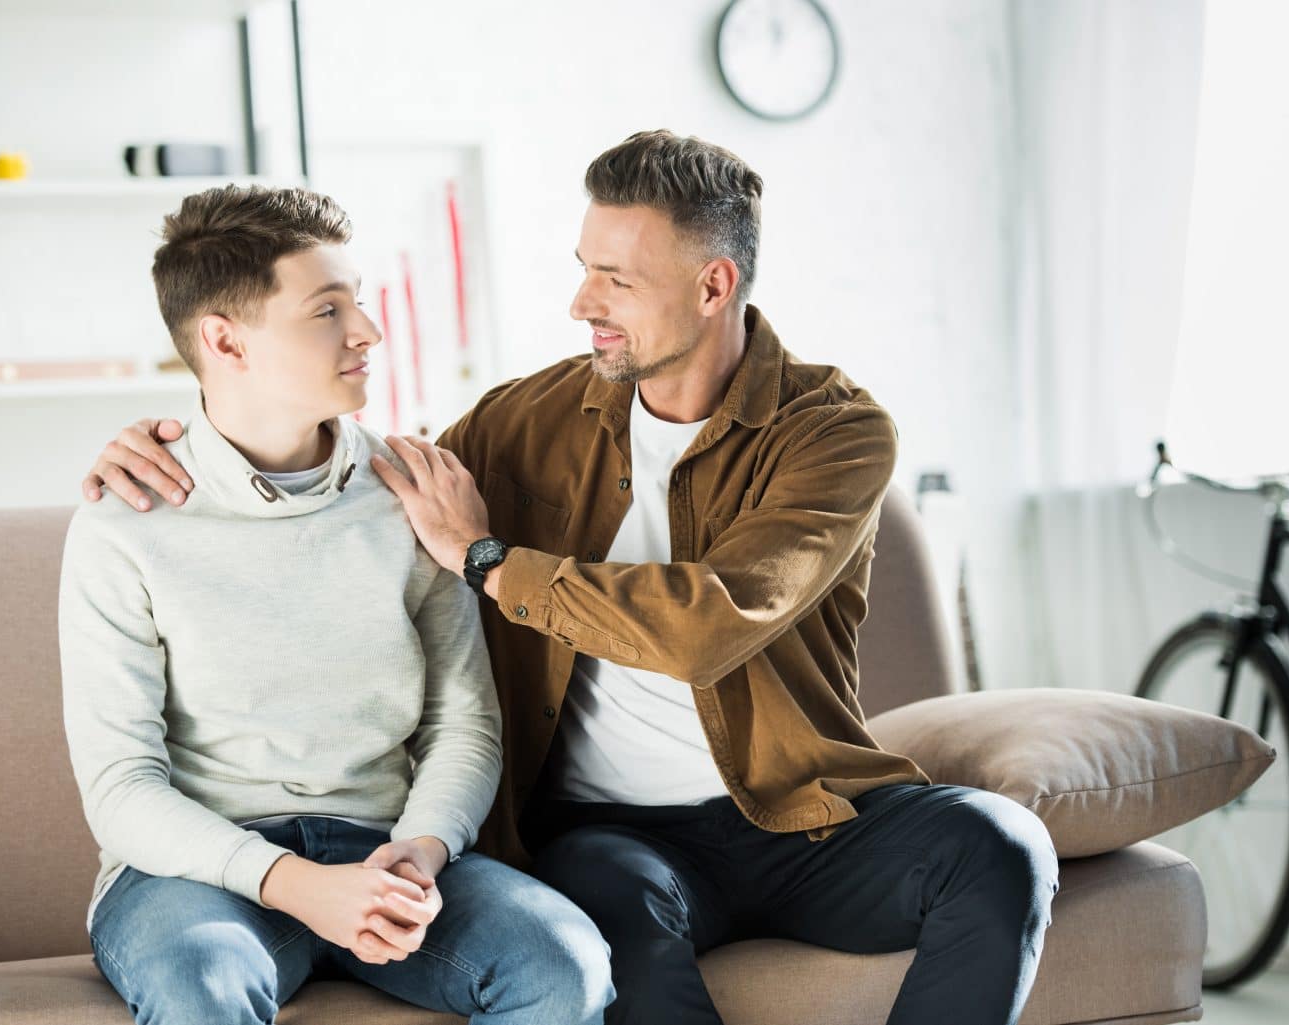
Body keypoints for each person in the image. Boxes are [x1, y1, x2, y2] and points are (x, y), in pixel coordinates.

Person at [82, 131, 1058, 1025]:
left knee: (1000, 846)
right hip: (610, 835)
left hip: (797, 811)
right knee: (603, 911)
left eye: (615, 280)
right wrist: (173, 442)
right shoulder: (521, 424)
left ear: (713, 287)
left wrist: (492, 563)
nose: (581, 301)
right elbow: (318, 460)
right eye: (583, 268)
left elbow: (710, 623)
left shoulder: (834, 431)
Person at [60, 184, 612, 1025]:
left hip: (387, 849)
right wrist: (298, 886)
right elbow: (122, 785)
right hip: (192, 875)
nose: (368, 331)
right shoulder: (125, 519)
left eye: (357, 301)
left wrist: (420, 853)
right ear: (225, 340)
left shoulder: (414, 496)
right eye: (327, 309)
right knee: (200, 982)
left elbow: (463, 723)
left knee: (563, 963)